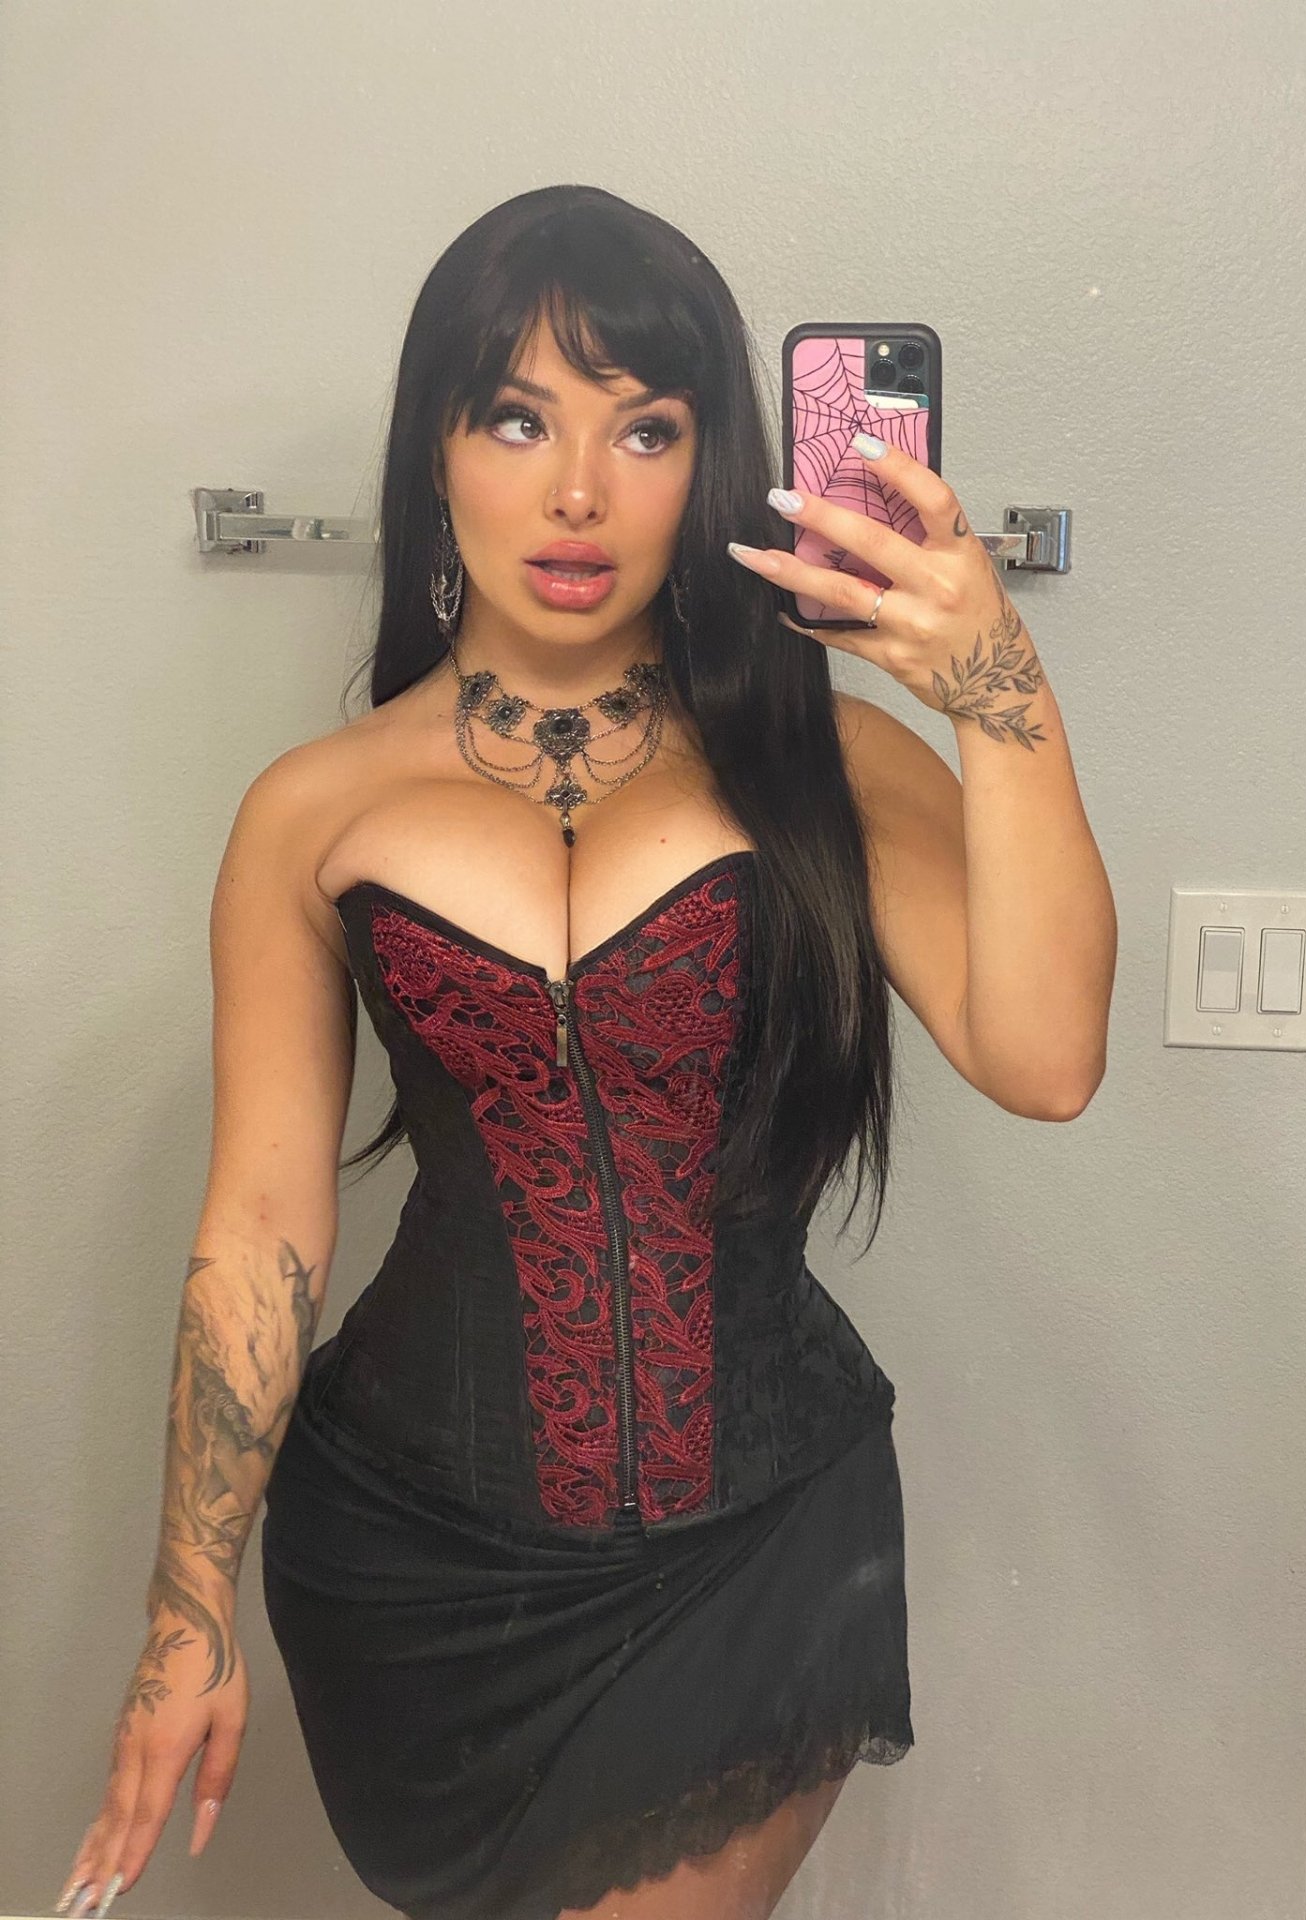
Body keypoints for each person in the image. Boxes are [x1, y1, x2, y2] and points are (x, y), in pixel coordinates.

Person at [56, 184, 1115, 1920]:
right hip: (408, 1563)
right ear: (437, 451)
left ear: (712, 466)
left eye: (645, 429)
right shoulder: (311, 812)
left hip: (757, 1547)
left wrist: (998, 687)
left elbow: (1049, 1056)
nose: (577, 492)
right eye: (517, 419)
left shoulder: (830, 765)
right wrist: (188, 1610)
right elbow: (259, 1225)